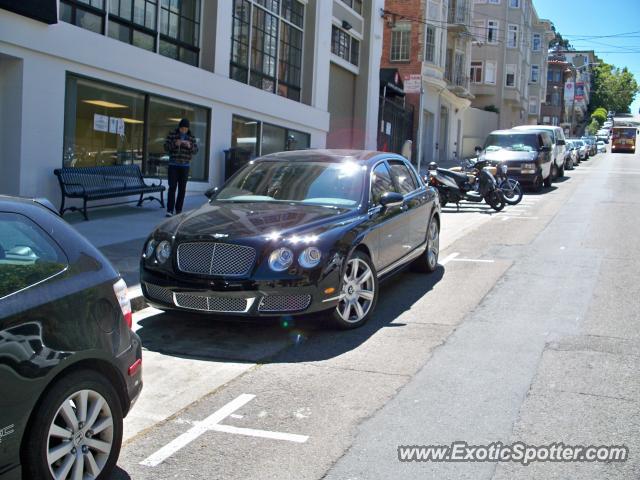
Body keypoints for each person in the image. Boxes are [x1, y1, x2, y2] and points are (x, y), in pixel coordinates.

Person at [164, 118, 198, 216]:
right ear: (179, 127)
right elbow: (165, 147)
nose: (183, 130)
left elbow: (196, 150)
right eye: (182, 128)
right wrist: (175, 144)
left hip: (185, 166)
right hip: (173, 165)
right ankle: (169, 210)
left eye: (185, 129)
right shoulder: (172, 134)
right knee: (172, 187)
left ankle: (178, 210)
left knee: (182, 189)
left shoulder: (191, 137)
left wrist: (189, 146)